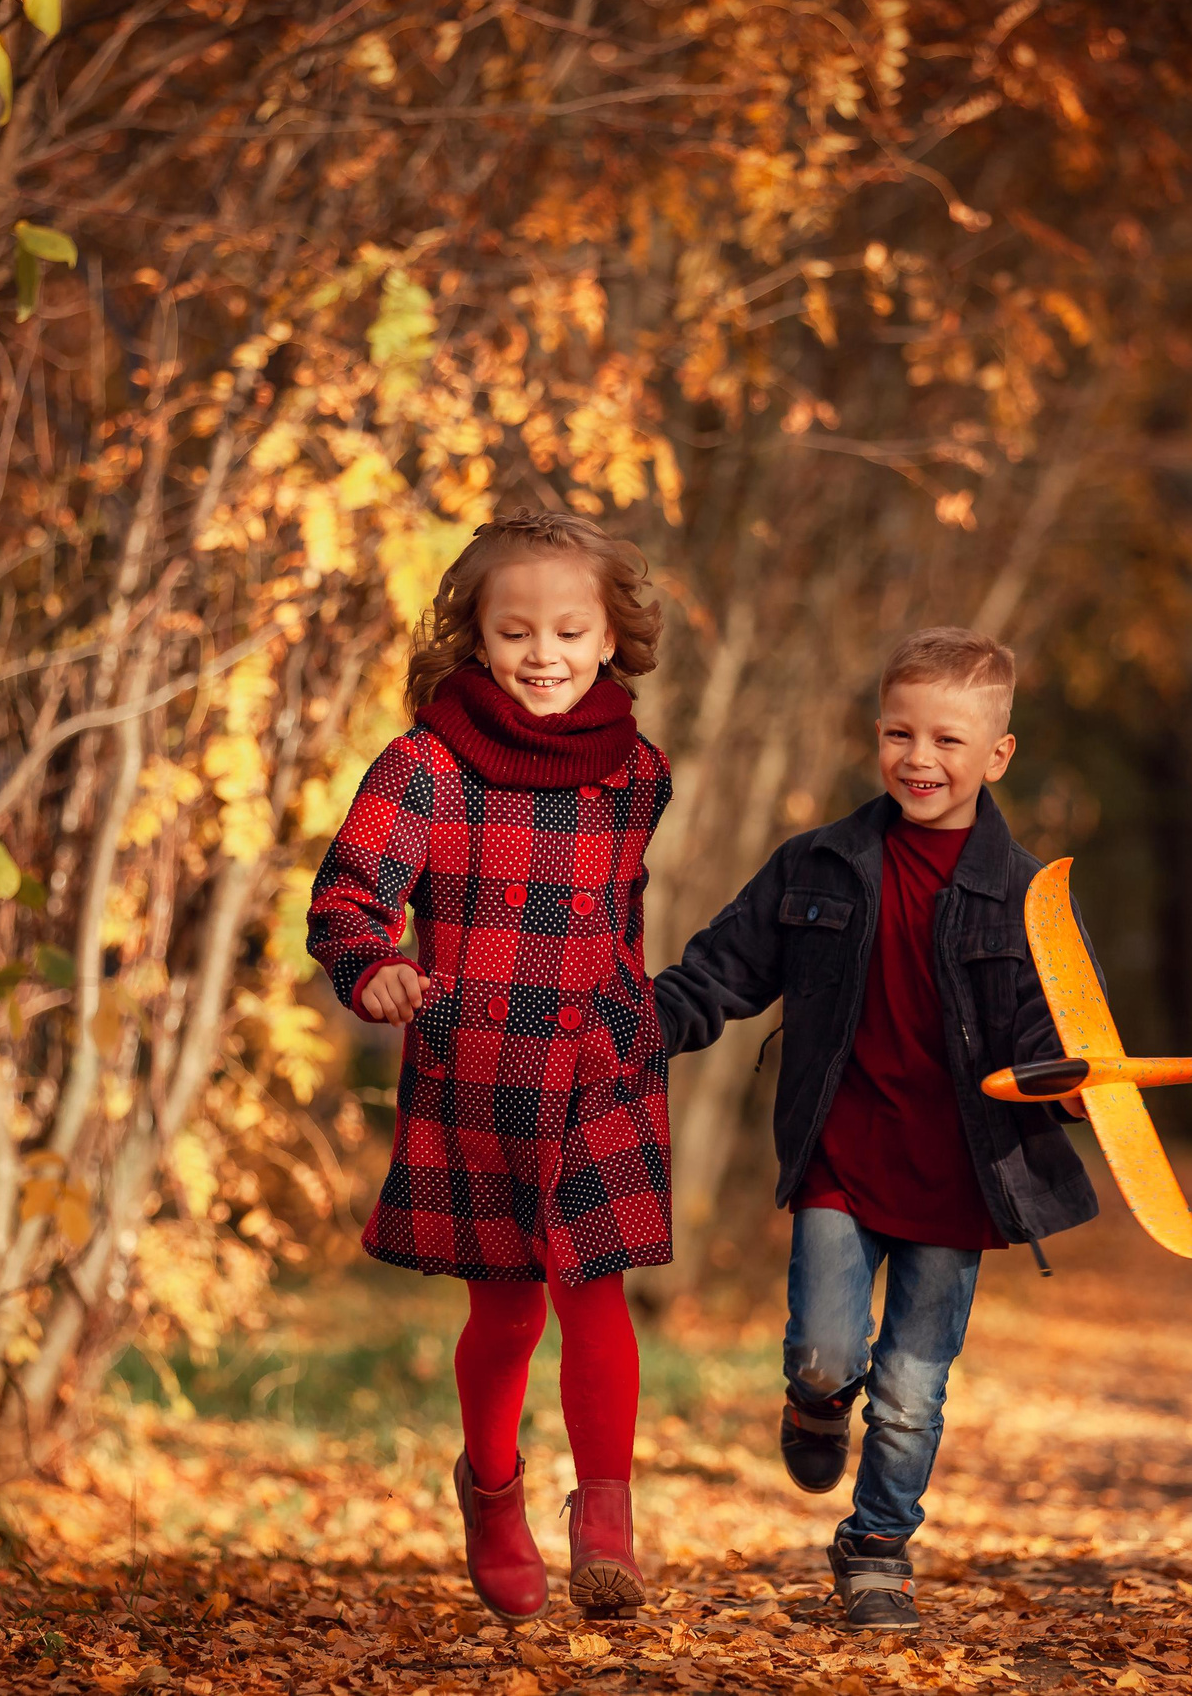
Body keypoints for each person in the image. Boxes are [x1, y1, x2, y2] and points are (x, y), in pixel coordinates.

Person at [651, 626, 1102, 1630]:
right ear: (876, 735)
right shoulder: (819, 863)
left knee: (908, 1391)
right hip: (842, 1157)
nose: (920, 759)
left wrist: (1069, 1084)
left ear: (998, 754)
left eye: (948, 740)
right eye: (900, 733)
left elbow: (1059, 1030)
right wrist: (634, 1026)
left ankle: (877, 1548)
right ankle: (813, 1404)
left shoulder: (1029, 898)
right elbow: (719, 971)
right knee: (825, 1352)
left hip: (956, 1174)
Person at [306, 512, 672, 1623]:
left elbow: (622, 922)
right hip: (482, 1074)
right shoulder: (424, 766)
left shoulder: (638, 774)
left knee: (596, 1297)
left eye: (569, 628)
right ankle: (493, 1490)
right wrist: (370, 965)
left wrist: (636, 1023)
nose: (544, 652)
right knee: (510, 1316)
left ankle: (605, 1517)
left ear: (610, 637)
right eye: (516, 630)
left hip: (602, 1064)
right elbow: (347, 895)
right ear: (476, 635)